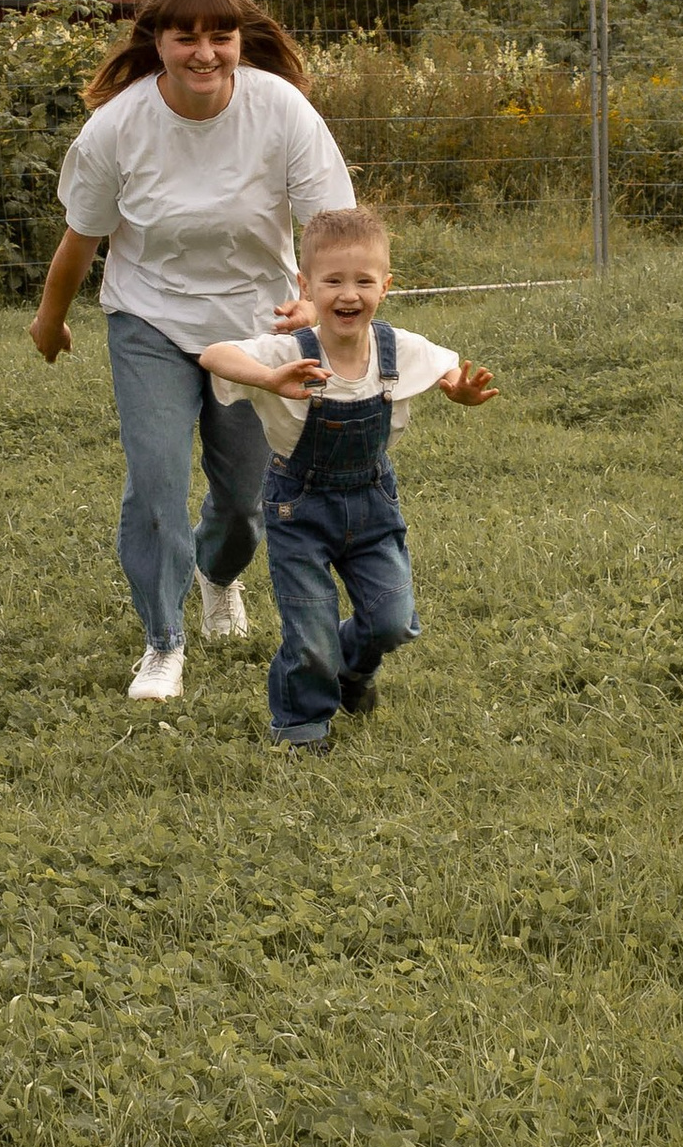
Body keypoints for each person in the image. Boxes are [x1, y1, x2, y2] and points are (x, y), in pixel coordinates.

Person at [29, 0, 353, 703]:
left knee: (243, 503)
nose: (204, 53)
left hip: (254, 331)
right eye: (186, 37)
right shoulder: (118, 127)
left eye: (221, 36)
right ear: (159, 42)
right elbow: (82, 236)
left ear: (242, 40)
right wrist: (50, 319)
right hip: (150, 319)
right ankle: (161, 643)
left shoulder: (284, 112)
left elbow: (331, 227)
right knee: (156, 481)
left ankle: (217, 575)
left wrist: (312, 301)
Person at [202, 202, 497, 753]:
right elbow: (214, 354)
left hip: (371, 503)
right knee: (309, 632)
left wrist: (457, 386)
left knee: (393, 622)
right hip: (299, 508)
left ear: (385, 285)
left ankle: (353, 670)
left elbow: (444, 364)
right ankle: (302, 727)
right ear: (306, 285)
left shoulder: (396, 348)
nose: (348, 294)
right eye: (332, 280)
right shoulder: (289, 351)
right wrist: (270, 377)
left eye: (363, 280)